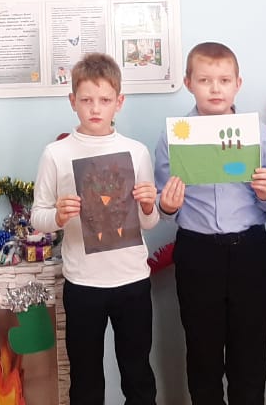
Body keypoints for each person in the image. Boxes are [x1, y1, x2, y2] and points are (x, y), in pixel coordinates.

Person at [155, 42, 266, 405]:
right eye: (205, 80)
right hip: (197, 253)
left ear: (237, 84)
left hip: (250, 250)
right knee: (203, 355)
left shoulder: (258, 133)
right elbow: (162, 202)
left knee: (251, 355)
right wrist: (166, 206)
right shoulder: (173, 136)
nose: (215, 88)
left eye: (224, 80)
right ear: (188, 83)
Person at [31, 53, 159, 405]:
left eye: (104, 100)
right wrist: (58, 217)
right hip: (83, 282)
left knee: (138, 374)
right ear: (72, 101)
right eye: (86, 100)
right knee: (85, 379)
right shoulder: (56, 153)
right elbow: (38, 216)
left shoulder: (136, 152)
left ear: (119, 102)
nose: (95, 108)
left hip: (132, 279)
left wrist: (149, 205)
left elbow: (148, 223)